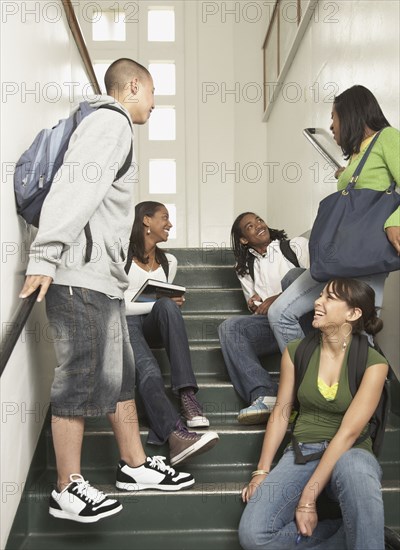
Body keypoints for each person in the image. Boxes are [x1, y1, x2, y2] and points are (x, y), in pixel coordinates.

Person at [19, 59, 195, 524]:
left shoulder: (111, 126)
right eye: (153, 93)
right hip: (78, 277)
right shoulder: (111, 121)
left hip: (103, 280)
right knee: (78, 376)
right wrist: (45, 255)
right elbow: (74, 188)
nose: (155, 104)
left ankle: (134, 464)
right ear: (133, 86)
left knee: (120, 377)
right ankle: (67, 486)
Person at [239, 277, 389, 550]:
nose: (317, 302)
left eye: (330, 298)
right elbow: (281, 413)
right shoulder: (296, 352)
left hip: (350, 452)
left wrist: (307, 499)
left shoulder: (373, 363)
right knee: (254, 536)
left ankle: (366, 535)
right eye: (320, 295)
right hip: (302, 450)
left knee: (355, 466)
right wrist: (261, 471)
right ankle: (356, 533)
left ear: (353, 313)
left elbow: (348, 433)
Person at [268, 85, 400, 354]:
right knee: (281, 313)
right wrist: (346, 174)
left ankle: (362, 392)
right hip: (338, 257)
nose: (331, 126)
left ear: (350, 114)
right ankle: (310, 383)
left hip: (366, 258)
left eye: (333, 117)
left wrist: (394, 221)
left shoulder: (387, 138)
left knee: (359, 334)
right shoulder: (356, 155)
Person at [124, 201, 219, 465]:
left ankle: (187, 395)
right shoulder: (120, 256)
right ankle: (176, 435)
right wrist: (155, 302)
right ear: (145, 220)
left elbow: (158, 303)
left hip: (154, 325)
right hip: (126, 324)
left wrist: (166, 303)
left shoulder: (169, 261)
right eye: (164, 218)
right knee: (150, 372)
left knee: (167, 305)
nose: (169, 224)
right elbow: (115, 305)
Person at [218, 212, 310, 425]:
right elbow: (256, 305)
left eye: (259, 220)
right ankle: (265, 393)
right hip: (271, 325)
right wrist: (254, 303)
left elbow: (317, 283)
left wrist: (277, 299)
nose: (259, 225)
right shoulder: (244, 268)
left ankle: (301, 395)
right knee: (230, 328)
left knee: (293, 277)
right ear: (244, 239)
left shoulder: (295, 246)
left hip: (306, 320)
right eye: (250, 226)